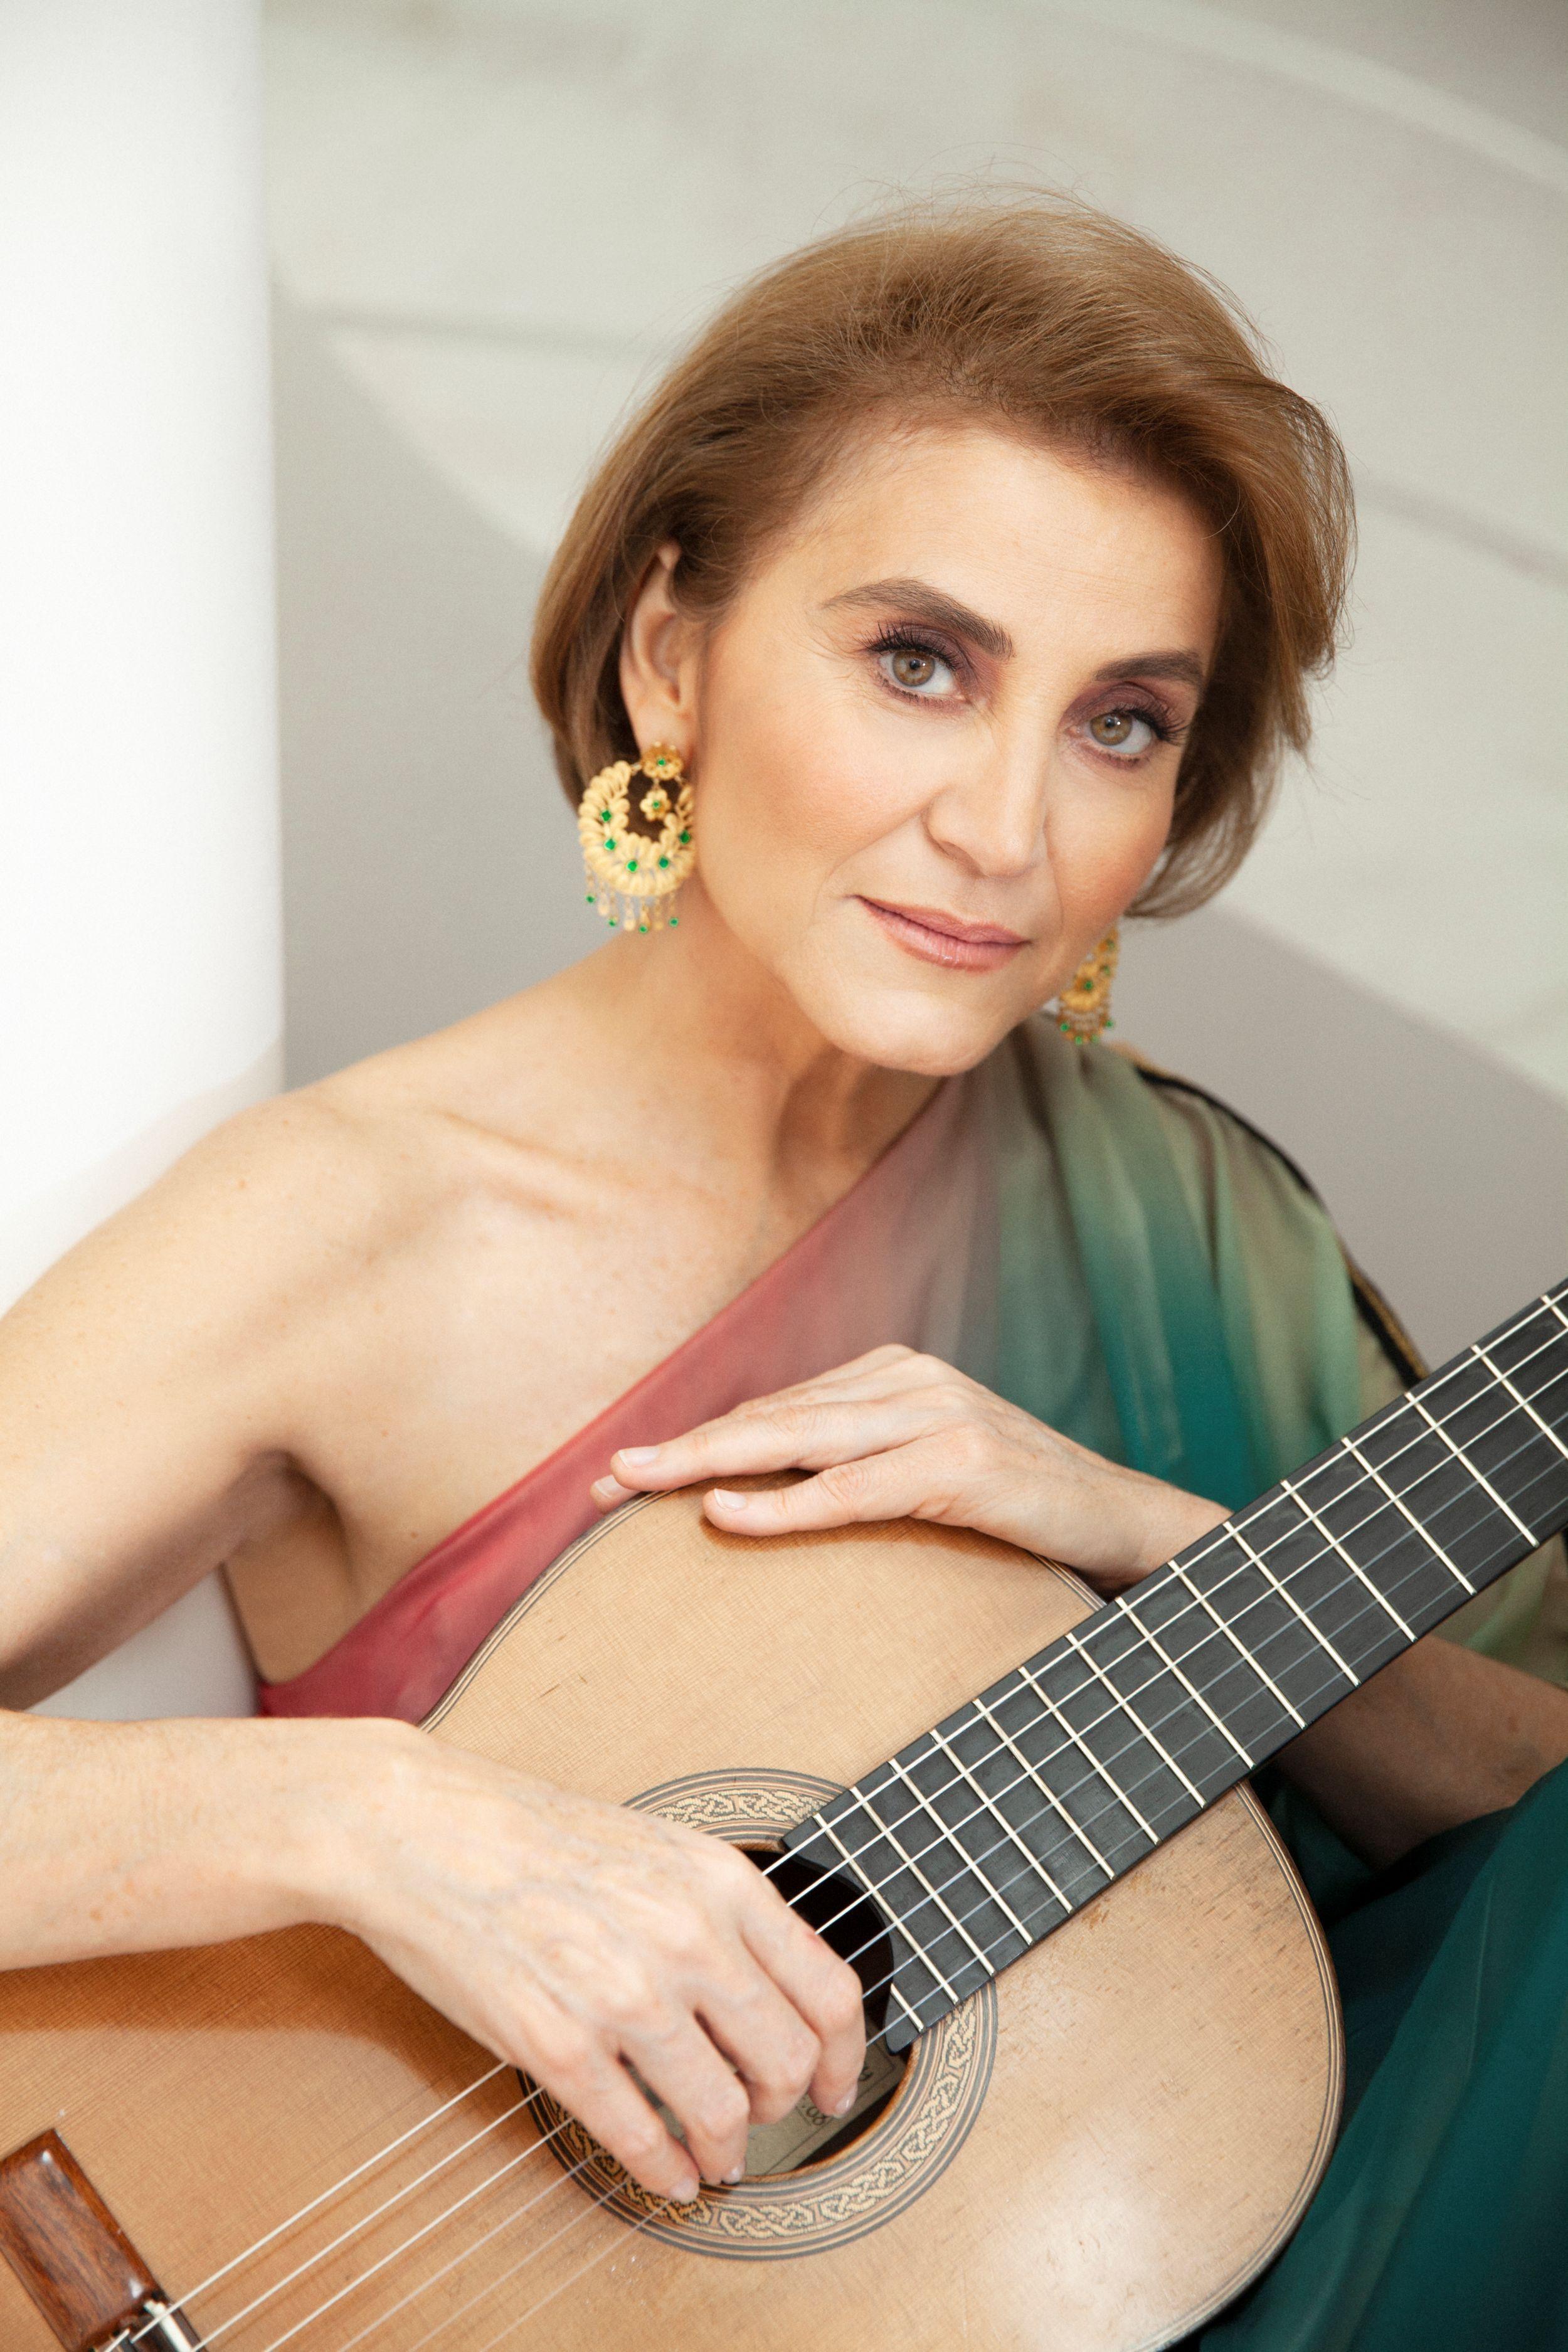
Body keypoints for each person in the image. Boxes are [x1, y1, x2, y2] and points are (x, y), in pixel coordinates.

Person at [1, 196, 1564, 2345]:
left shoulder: (1189, 1216)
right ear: (672, 654)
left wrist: (1144, 1543)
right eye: (919, 663)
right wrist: (376, 1823)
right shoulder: (359, 1219)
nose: (1006, 830)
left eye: (1120, 721)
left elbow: (1525, 1836)